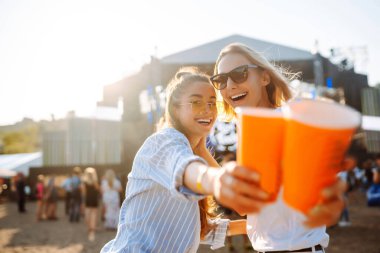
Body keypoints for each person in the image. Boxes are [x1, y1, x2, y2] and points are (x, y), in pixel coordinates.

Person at [101, 67, 268, 253]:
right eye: (196, 102)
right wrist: (218, 180)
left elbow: (192, 229)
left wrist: (251, 226)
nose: (207, 110)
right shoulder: (163, 141)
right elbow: (185, 169)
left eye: (212, 103)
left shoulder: (190, 150)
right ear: (175, 108)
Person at [211, 43, 348, 252]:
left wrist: (199, 151)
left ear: (265, 78)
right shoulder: (254, 128)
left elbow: (243, 204)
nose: (229, 85)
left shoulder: (287, 121)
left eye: (240, 74)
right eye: (220, 80)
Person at [82, 167, 100, 242]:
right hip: (93, 199)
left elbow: (84, 193)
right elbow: (98, 189)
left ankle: (90, 227)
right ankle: (92, 227)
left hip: (88, 200)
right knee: (92, 214)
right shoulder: (94, 182)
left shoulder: (85, 182)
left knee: (88, 214)